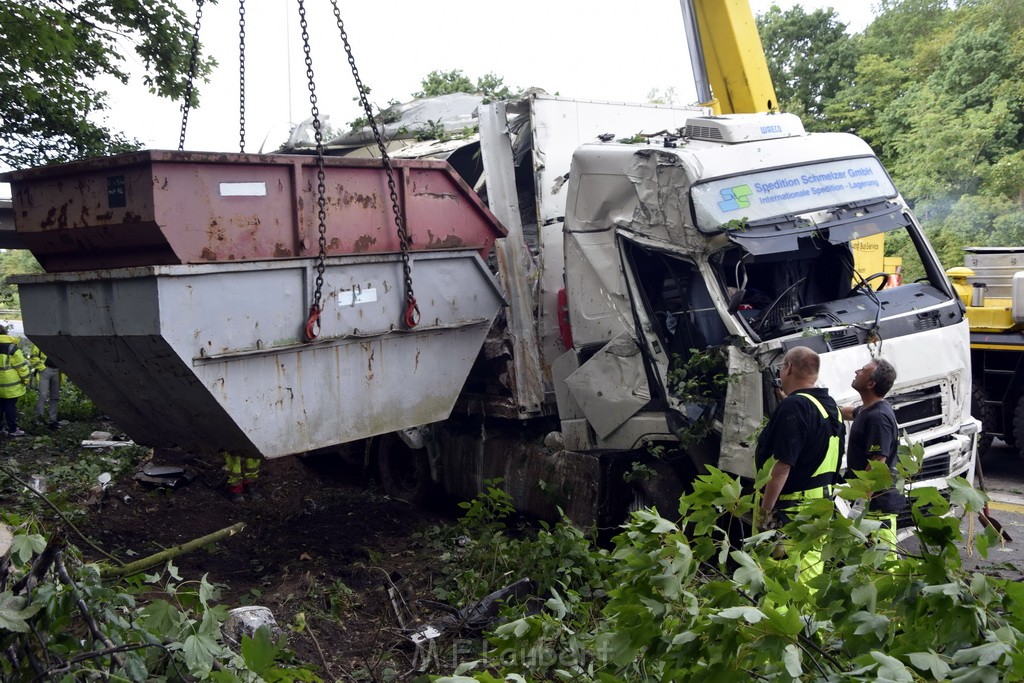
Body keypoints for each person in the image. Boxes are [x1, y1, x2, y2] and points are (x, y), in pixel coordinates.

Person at [755, 346, 844, 580]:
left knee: (781, 578)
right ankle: (808, 618)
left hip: (792, 510)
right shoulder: (830, 405)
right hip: (821, 505)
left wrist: (765, 513)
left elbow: (782, 467)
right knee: (809, 573)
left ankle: (781, 617)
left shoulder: (793, 407)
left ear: (788, 368)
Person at [842, 358, 901, 547]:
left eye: (863, 370)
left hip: (875, 508)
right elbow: (846, 412)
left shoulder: (878, 417)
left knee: (882, 564)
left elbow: (877, 465)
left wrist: (860, 503)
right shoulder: (867, 410)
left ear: (870, 383)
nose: (856, 371)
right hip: (869, 506)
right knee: (864, 564)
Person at [0, 325, 31, 436]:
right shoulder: (11, 348)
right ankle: (13, 430)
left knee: (1, 406)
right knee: (10, 406)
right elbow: (21, 367)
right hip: (10, 385)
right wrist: (26, 380)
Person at [30, 344, 60, 429]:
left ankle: (52, 420)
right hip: (45, 370)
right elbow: (33, 356)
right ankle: (39, 419)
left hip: (57, 371)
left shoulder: (59, 341)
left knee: (55, 396)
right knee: (43, 395)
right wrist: (42, 368)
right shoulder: (40, 339)